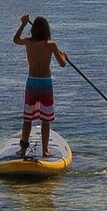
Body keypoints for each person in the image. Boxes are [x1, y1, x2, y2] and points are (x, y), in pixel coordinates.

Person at [14, 14, 67, 157]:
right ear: (47, 30)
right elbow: (62, 64)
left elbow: (15, 40)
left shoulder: (28, 42)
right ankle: (45, 150)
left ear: (33, 30)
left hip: (32, 82)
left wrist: (23, 23)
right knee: (46, 119)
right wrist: (64, 56)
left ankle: (23, 149)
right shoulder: (51, 45)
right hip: (45, 84)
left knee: (27, 118)